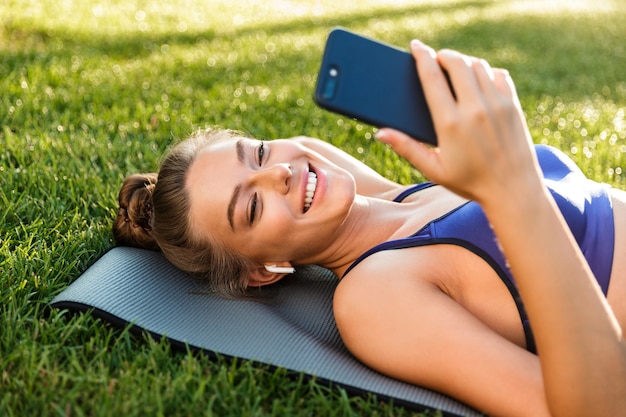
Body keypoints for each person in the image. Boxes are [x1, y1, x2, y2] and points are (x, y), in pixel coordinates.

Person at [113, 39, 626, 417]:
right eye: (250, 208)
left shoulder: (389, 195)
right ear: (266, 270)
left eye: (260, 153)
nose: (279, 173)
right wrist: (514, 189)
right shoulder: (374, 297)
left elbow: (307, 150)